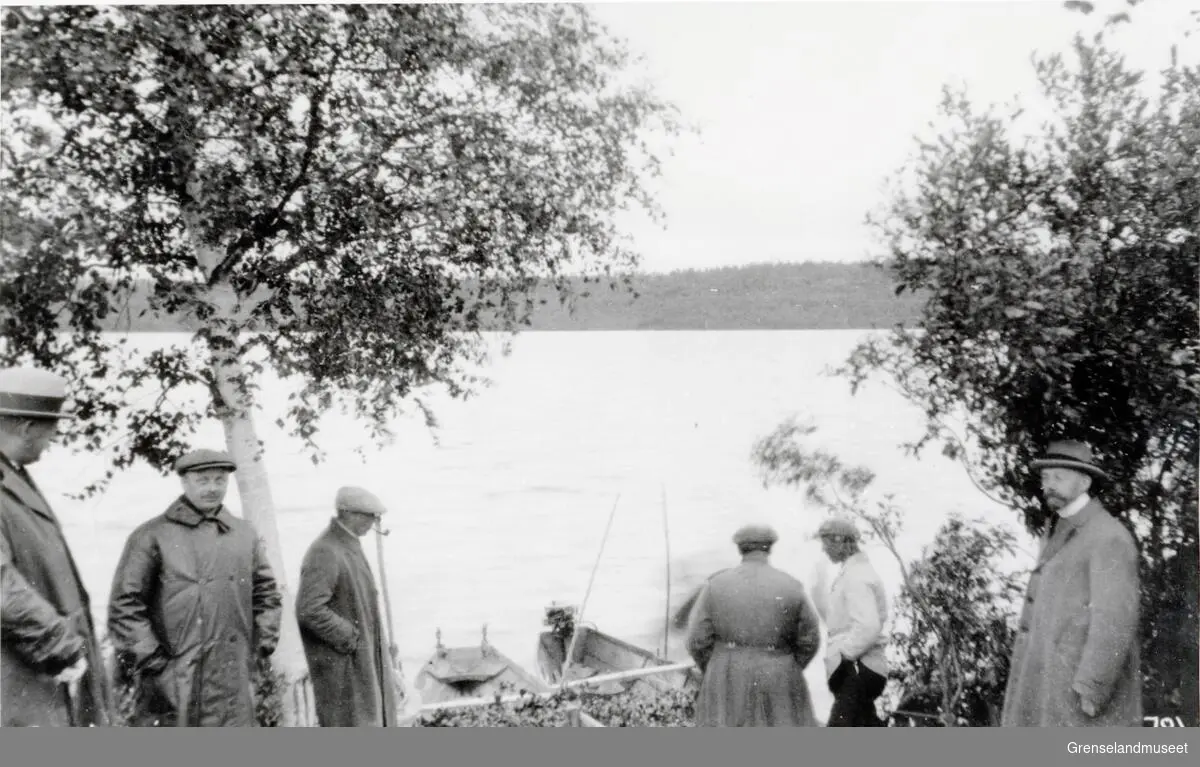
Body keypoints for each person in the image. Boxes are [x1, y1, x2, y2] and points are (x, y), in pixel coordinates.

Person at [106, 448, 283, 726]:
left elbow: (267, 594)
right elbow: (124, 607)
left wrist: (259, 648)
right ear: (185, 482)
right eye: (203, 480)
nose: (212, 488)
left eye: (219, 480)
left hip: (234, 680)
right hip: (177, 682)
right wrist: (156, 665)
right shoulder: (151, 535)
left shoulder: (243, 534)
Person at [1002, 440, 1141, 727]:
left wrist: (1092, 687)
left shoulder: (1107, 536)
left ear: (1085, 481)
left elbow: (1115, 617)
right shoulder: (1059, 532)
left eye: (1058, 477)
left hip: (1078, 702)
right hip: (1048, 692)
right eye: (1045, 477)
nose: (1048, 485)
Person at [1, 366, 111, 727]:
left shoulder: (13, 478)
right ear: (28, 428)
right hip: (19, 684)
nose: (51, 443)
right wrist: (60, 644)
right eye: (51, 432)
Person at [685, 524, 821, 727]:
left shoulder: (715, 585)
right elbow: (810, 640)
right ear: (769, 548)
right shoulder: (792, 586)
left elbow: (697, 640)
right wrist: (787, 665)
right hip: (779, 675)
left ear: (740, 549)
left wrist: (717, 666)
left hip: (727, 676)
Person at [296, 486, 400, 727]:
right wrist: (351, 638)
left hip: (361, 665)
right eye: (368, 516)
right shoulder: (325, 551)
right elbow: (309, 609)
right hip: (344, 669)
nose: (373, 522)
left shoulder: (347, 545)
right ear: (348, 514)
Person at [815, 516, 889, 727]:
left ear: (843, 542)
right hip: (860, 669)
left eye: (827, 541)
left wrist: (844, 656)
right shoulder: (854, 572)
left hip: (858, 669)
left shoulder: (856, 576)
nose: (824, 548)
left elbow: (868, 626)